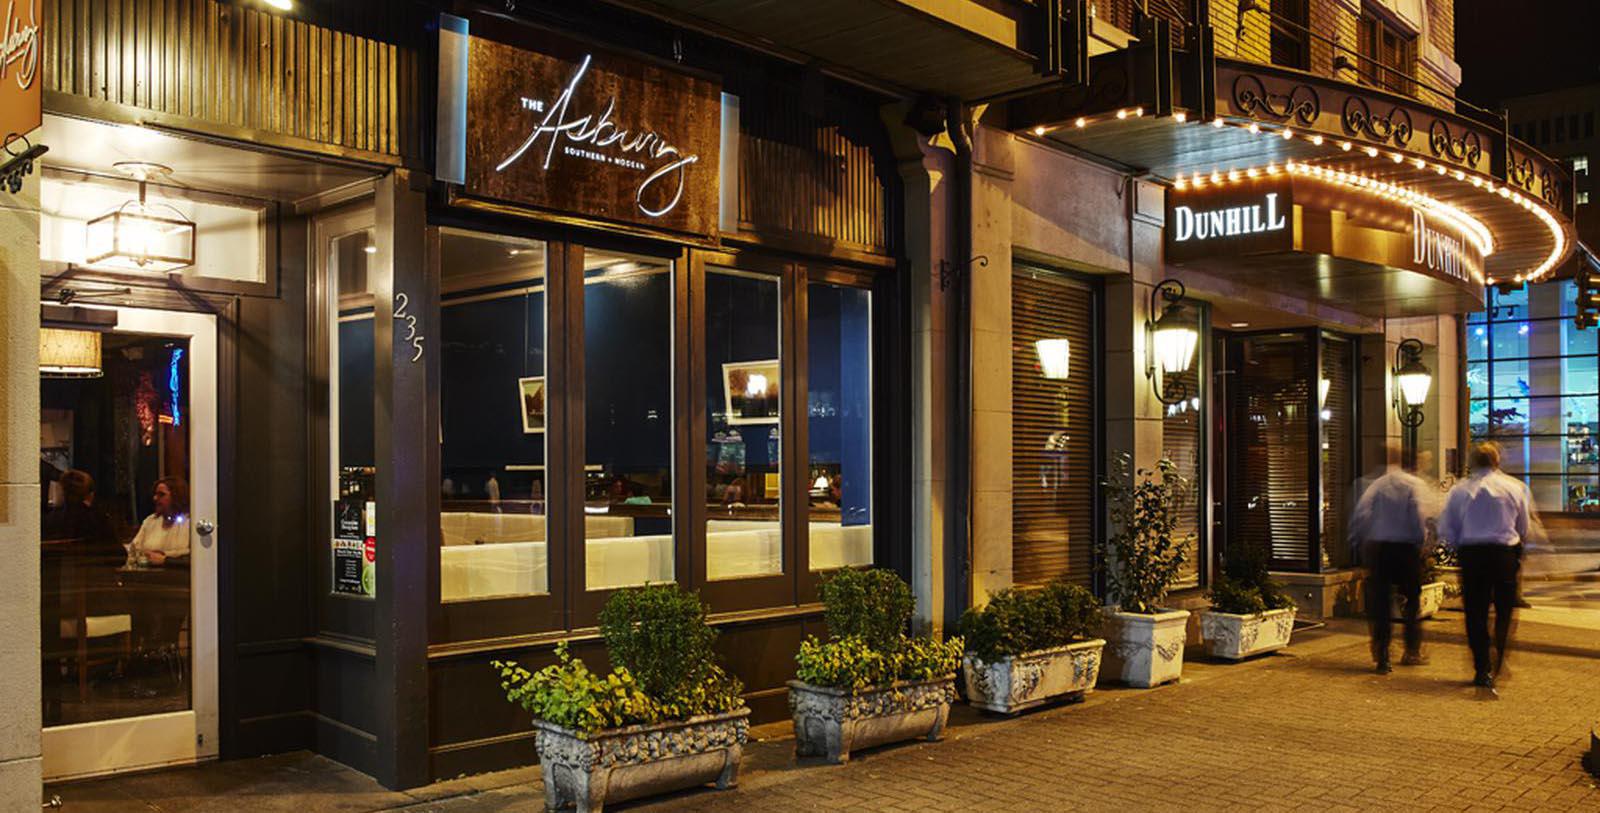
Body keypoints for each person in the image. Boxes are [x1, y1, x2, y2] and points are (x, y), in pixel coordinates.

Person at [1437, 442, 1539, 692]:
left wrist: (1458, 544)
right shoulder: (1515, 488)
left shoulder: (1460, 491)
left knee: (1476, 613)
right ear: (1497, 461)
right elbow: (1524, 527)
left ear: (1472, 462)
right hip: (1504, 555)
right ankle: (1499, 657)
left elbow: (1447, 529)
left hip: (1472, 555)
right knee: (1504, 611)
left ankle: (1481, 667)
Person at [1347, 446, 1438, 673]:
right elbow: (1420, 516)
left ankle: (1383, 656)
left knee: (1381, 604)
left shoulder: (1378, 485)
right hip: (1406, 549)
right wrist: (1421, 543)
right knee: (1412, 601)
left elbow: (1362, 514)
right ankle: (1412, 650)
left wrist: (1360, 541)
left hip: (1380, 549)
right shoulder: (1413, 485)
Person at [42, 469, 122, 562]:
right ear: (90, 495)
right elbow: (120, 556)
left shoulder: (50, 520)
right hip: (95, 574)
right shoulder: (97, 520)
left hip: (57, 575)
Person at [127, 477, 191, 567]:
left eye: (161, 494)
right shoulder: (150, 521)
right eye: (155, 494)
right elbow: (134, 549)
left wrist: (165, 557)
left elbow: (194, 555)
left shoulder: (189, 522)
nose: (155, 498)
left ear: (177, 496)